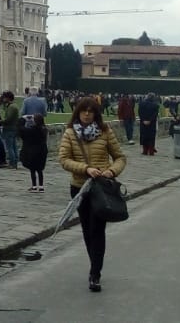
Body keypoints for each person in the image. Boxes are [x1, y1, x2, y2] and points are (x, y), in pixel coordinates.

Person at [57, 96, 126, 292]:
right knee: (87, 230)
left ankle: (95, 273)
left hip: (101, 188)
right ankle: (94, 264)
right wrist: (85, 168)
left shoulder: (105, 131)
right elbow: (63, 159)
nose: (87, 114)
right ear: (78, 112)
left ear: (96, 114)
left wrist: (111, 171)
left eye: (91, 111)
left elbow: (120, 157)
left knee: (97, 230)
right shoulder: (70, 133)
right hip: (80, 188)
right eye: (83, 111)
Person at [18, 109, 49, 192]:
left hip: (33, 152)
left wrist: (23, 119)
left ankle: (34, 186)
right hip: (42, 151)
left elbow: (21, 129)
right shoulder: (44, 129)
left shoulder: (32, 130)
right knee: (40, 169)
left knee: (32, 169)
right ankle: (41, 186)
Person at [0, 92, 21, 171]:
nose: (3, 99)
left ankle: (12, 163)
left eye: (4, 97)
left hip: (9, 129)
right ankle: (15, 162)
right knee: (14, 146)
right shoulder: (13, 105)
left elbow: (8, 119)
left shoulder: (12, 107)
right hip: (13, 128)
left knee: (10, 147)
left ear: (8, 98)